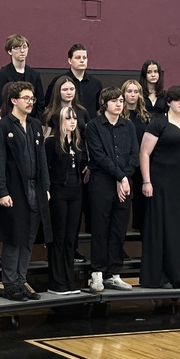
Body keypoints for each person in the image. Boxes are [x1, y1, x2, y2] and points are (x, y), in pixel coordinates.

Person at [137, 85, 180, 288]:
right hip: (162, 184)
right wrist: (146, 181)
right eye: (178, 100)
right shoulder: (158, 123)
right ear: (169, 102)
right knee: (165, 228)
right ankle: (163, 276)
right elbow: (144, 153)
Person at [0, 82, 51, 301]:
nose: (30, 102)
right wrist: (1, 191)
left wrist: (46, 187)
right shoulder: (3, 127)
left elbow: (41, 159)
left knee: (28, 238)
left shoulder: (35, 125)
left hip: (35, 188)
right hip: (14, 190)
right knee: (13, 237)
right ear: (14, 100)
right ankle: (9, 283)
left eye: (32, 98)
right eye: (25, 98)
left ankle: (21, 280)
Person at [85, 87, 138, 293]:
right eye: (115, 100)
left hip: (124, 183)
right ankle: (97, 272)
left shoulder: (129, 126)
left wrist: (124, 176)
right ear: (104, 103)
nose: (119, 104)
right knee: (100, 227)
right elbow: (98, 156)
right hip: (102, 182)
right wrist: (120, 176)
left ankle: (114, 273)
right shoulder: (94, 126)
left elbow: (134, 154)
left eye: (122, 101)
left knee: (118, 228)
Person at [45, 106, 86, 294]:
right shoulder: (51, 142)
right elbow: (46, 169)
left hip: (75, 192)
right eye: (68, 118)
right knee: (59, 237)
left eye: (74, 118)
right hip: (58, 192)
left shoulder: (77, 142)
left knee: (71, 238)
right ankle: (56, 281)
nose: (72, 121)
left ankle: (69, 279)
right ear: (60, 121)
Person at [0, 34, 45, 117]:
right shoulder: (2, 74)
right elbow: (0, 103)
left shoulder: (34, 74)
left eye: (25, 47)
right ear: (9, 51)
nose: (22, 50)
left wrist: (35, 123)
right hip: (10, 121)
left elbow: (40, 103)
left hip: (32, 121)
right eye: (17, 48)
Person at [45, 44, 103, 119]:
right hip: (63, 124)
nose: (82, 60)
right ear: (70, 60)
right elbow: (48, 106)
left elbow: (99, 109)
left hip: (89, 127)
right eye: (78, 58)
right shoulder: (58, 81)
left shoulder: (96, 83)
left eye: (84, 58)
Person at [122, 79, 150, 233]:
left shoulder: (146, 117)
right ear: (123, 94)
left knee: (141, 199)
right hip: (124, 164)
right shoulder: (119, 115)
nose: (132, 95)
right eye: (129, 91)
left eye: (136, 92)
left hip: (142, 163)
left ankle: (139, 229)